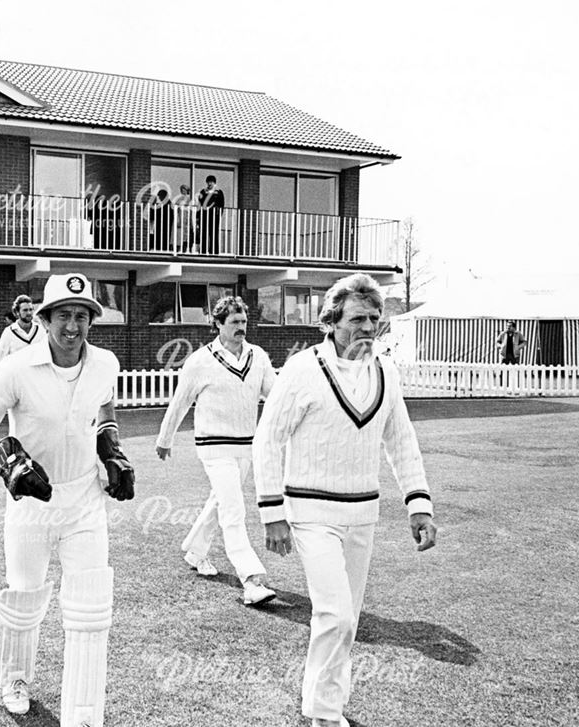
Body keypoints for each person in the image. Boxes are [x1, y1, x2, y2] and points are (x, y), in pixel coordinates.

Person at [252, 273, 437, 727]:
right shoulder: (301, 370)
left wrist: (418, 505)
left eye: (375, 319)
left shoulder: (386, 373)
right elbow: (268, 440)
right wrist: (272, 512)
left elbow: (401, 441)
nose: (369, 328)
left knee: (347, 620)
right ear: (331, 321)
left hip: (363, 514)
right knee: (334, 615)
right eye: (358, 318)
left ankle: (327, 704)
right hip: (311, 514)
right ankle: (322, 713)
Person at [0, 272, 134, 726]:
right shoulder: (17, 367)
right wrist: (8, 460)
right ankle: (14, 678)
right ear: (45, 319)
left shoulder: (105, 364)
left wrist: (111, 449)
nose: (73, 326)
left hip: (85, 499)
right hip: (32, 502)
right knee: (25, 597)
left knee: (90, 607)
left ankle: (83, 713)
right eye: (64, 315)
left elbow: (105, 408)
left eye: (82, 316)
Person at [155, 296, 277, 606]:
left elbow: (275, 396)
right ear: (218, 324)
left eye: (244, 322)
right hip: (213, 446)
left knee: (220, 502)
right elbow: (180, 401)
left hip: (245, 445)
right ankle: (251, 581)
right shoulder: (200, 360)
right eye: (234, 322)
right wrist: (165, 438)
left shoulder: (258, 356)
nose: (241, 327)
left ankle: (196, 551)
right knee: (234, 508)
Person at [0, 295, 44, 363]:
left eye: (31, 309)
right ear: (17, 312)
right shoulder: (8, 332)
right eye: (25, 310)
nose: (29, 313)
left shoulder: (41, 330)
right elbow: (0, 360)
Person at [196, 175, 225, 256]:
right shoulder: (203, 191)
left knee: (214, 233)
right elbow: (199, 204)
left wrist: (219, 215)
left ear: (214, 183)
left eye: (211, 182)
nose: (209, 183)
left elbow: (221, 205)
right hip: (204, 216)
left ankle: (214, 252)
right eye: (208, 182)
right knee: (203, 233)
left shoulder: (219, 192)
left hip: (214, 216)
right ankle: (203, 251)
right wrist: (197, 216)